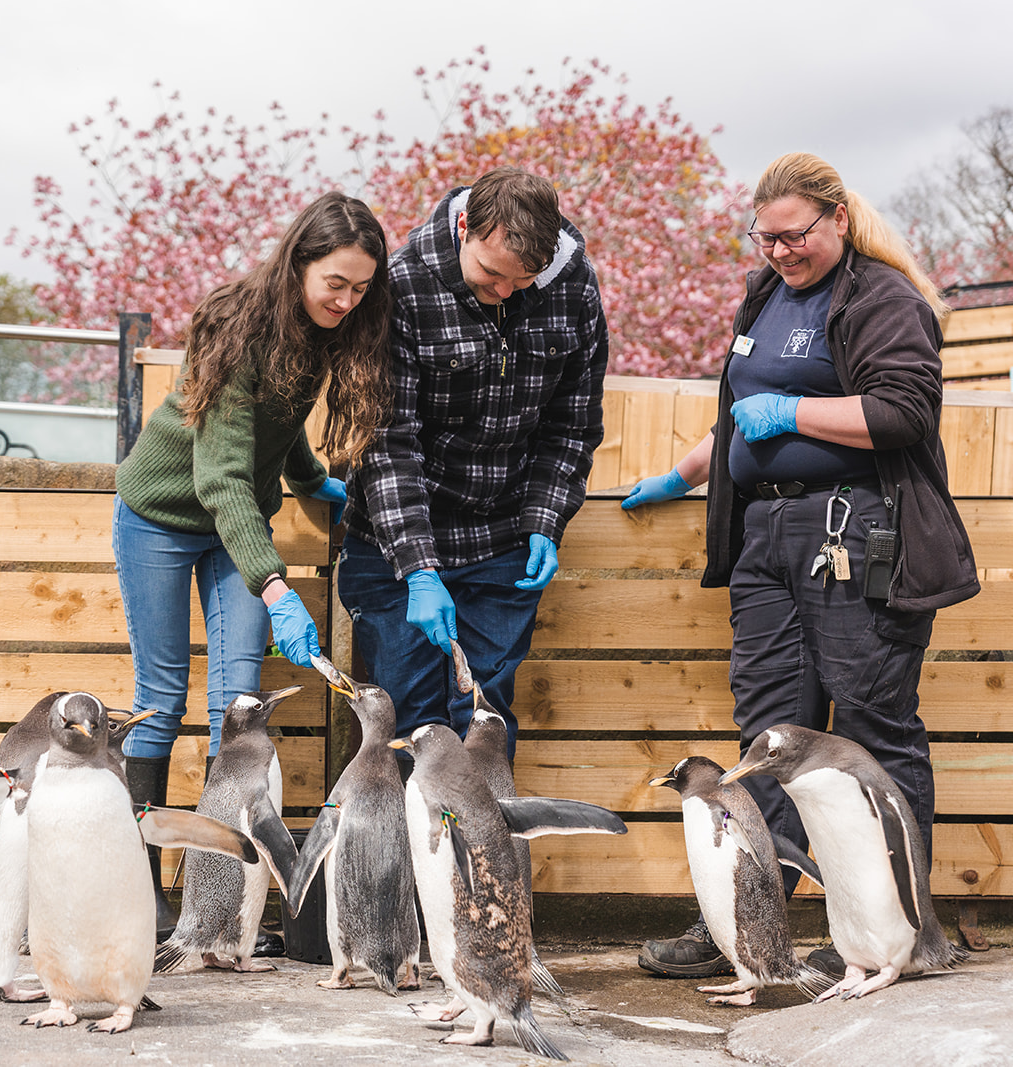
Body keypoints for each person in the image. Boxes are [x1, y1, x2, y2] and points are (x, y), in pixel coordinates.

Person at [623, 152, 979, 979]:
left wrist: (794, 411)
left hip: (855, 532)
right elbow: (742, 411)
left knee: (872, 726)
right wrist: (681, 475)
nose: (780, 251)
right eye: (766, 237)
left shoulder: (882, 297)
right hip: (767, 538)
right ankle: (750, 927)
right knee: (769, 737)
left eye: (795, 235)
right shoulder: (765, 295)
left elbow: (904, 411)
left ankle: (899, 931)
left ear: (838, 220)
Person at [112, 191, 392, 935]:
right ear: (298, 262)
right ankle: (141, 885)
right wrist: (277, 587)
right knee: (162, 695)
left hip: (233, 523)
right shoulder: (237, 327)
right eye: (335, 281)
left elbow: (279, 422)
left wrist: (307, 480)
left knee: (236, 705)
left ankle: (214, 898)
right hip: (164, 518)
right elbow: (222, 477)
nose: (347, 299)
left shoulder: (321, 333)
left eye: (361, 287)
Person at [340, 166, 608, 758]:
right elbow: (388, 442)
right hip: (396, 550)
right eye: (492, 273)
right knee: (409, 727)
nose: (506, 292)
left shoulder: (575, 285)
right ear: (465, 227)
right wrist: (419, 568)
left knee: (484, 723)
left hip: (503, 540)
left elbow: (573, 423)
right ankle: (410, 855)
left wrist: (545, 519)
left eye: (524, 280)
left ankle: (485, 853)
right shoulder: (402, 286)